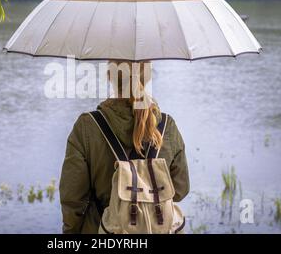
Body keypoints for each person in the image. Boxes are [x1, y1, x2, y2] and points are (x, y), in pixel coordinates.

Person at [59, 61, 190, 233]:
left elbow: (72, 198)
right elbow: (180, 190)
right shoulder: (167, 126)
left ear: (109, 76)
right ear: (148, 76)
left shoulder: (87, 126)